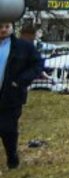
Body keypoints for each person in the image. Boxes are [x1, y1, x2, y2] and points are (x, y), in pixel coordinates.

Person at [0, 19, 44, 169]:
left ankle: (12, 158)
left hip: (11, 96)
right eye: (0, 27)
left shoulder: (23, 47)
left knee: (8, 129)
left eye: (7, 26)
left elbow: (37, 64)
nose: (3, 30)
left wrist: (20, 81)